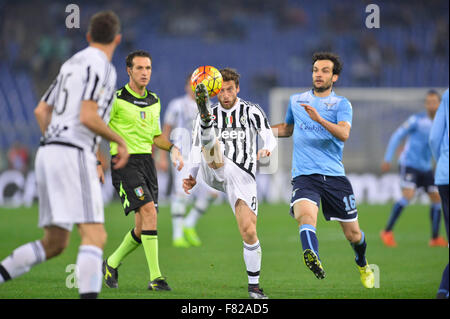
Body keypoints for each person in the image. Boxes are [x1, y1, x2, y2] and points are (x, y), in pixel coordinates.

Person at [0, 11, 129, 299]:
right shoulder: (104, 68)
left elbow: (41, 111)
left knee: (55, 242)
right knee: (95, 236)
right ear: (117, 40)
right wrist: (120, 142)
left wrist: (65, 146)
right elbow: (87, 116)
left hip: (47, 151)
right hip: (72, 153)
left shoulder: (71, 64)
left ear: (88, 36)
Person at [271, 52, 375, 288]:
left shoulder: (341, 104)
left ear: (335, 77)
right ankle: (312, 255)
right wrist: (261, 130)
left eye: (325, 70)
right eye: (316, 70)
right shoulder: (296, 100)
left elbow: (344, 134)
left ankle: (362, 263)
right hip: (304, 175)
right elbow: (288, 129)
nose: (319, 74)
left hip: (335, 177)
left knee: (354, 235)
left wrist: (318, 119)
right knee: (305, 217)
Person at [183, 68, 277, 299]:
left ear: (237, 89)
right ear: (214, 92)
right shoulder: (213, 112)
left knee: (249, 231)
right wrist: (192, 174)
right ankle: (207, 124)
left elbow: (268, 135)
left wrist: (267, 149)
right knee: (214, 145)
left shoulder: (251, 111)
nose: (225, 94)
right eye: (221, 90)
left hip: (242, 176)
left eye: (229, 89)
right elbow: (196, 148)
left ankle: (254, 288)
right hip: (214, 168)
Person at [102, 50, 184, 291]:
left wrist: (173, 149)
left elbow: (156, 137)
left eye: (148, 68)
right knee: (150, 212)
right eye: (139, 68)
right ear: (129, 70)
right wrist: (98, 158)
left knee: (143, 226)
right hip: (124, 163)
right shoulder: (115, 99)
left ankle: (111, 263)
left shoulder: (154, 100)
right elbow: (97, 127)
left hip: (147, 164)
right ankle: (156, 277)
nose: (144, 72)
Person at [380, 90, 447, 247]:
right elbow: (397, 135)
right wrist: (388, 158)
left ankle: (435, 238)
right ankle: (387, 231)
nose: (431, 105)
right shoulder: (416, 120)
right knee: (408, 195)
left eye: (434, 102)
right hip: (409, 164)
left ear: (439, 104)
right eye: (428, 102)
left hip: (426, 167)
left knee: (436, 198)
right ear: (425, 104)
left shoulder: (443, 122)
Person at [158, 75, 218, 248]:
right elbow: (165, 130)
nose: (196, 90)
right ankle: (177, 235)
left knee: (213, 193)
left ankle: (189, 224)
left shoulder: (209, 108)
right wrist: (162, 156)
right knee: (181, 194)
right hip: (182, 156)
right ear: (187, 87)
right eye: (193, 86)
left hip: (202, 157)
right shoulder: (177, 105)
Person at [429, 89, 449, 299]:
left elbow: (434, 137)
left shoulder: (447, 95)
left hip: (445, 175)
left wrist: (443, 160)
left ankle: (443, 291)